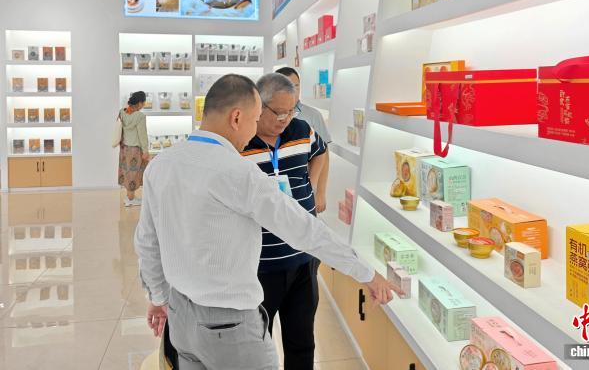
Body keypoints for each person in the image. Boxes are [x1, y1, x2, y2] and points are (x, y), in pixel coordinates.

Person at [134, 74, 400, 370]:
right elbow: (303, 229)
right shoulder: (237, 172)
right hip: (230, 326)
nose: (254, 130)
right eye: (255, 119)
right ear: (237, 118)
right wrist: (367, 274)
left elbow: (147, 242)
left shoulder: (160, 165)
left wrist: (158, 297)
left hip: (180, 318)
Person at [242, 73, 329, 370]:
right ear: (258, 105)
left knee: (302, 341)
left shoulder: (302, 130)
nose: (285, 119)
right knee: (257, 344)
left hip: (304, 260)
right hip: (260, 264)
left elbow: (321, 152)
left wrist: (312, 186)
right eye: (278, 112)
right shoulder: (240, 141)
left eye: (290, 111)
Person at [276, 67, 330, 213]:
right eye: (287, 86)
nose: (293, 91)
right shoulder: (268, 116)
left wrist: (319, 192)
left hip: (304, 191)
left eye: (296, 86)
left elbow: (323, 155)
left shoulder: (313, 115)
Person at [118, 91, 149, 207]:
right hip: (135, 149)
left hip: (124, 148)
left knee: (127, 172)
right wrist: (145, 150)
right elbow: (142, 135)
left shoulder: (122, 112)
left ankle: (129, 196)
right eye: (144, 103)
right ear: (140, 103)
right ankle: (130, 199)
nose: (144, 105)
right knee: (134, 173)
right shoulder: (140, 116)